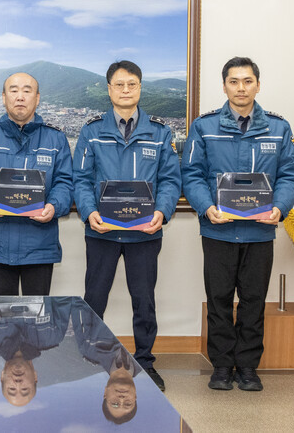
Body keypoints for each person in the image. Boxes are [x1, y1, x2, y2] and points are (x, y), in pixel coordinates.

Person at [181, 57, 294, 391]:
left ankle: (248, 367)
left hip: (259, 232)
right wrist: (206, 207)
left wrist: (279, 207)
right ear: (224, 86)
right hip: (218, 229)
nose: (241, 88)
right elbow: (191, 174)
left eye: (248, 81)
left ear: (258, 85)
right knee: (218, 300)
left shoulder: (278, 128)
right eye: (234, 81)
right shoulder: (204, 127)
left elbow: (290, 175)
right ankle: (222, 366)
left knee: (253, 300)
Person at [72, 60, 181, 391]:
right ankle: (89, 361)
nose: (125, 90)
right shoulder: (91, 131)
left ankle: (145, 362)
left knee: (144, 301)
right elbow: (80, 179)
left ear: (140, 88)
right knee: (94, 298)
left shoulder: (160, 132)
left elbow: (170, 180)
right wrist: (89, 212)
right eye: (119, 85)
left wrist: (162, 212)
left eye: (132, 84)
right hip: (102, 231)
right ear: (109, 89)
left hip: (144, 233)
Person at [0, 73, 73, 295]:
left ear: (37, 98)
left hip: (40, 243)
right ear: (4, 97)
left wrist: (53, 206)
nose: (20, 97)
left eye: (27, 90)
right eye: (13, 91)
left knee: (38, 312)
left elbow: (65, 182)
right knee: (2, 312)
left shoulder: (56, 138)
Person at [0, 296, 71, 406]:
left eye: (11, 389)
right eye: (25, 389)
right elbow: (64, 295)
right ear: (35, 377)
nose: (18, 383)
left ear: (2, 376)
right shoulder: (54, 334)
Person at [71, 297, 140, 424]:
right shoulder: (144, 362)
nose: (121, 399)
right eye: (127, 404)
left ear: (105, 394)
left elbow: (76, 311)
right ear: (135, 396)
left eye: (115, 404)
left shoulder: (89, 352)